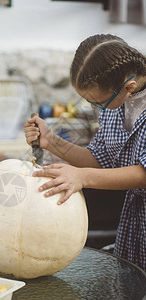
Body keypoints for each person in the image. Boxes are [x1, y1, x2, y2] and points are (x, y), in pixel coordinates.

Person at [24, 34, 146, 271]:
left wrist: (82, 177)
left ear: (128, 87)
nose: (94, 107)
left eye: (97, 102)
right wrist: (51, 141)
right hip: (135, 223)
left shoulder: (117, 96)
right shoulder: (114, 101)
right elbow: (100, 160)